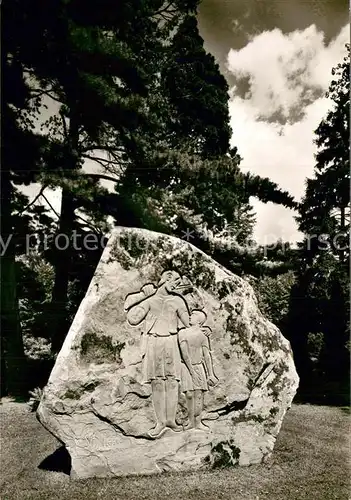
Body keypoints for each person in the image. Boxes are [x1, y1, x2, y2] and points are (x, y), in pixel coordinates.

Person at [124, 271, 190, 438]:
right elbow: (132, 319)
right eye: (175, 280)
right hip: (153, 342)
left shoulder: (177, 300)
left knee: (173, 382)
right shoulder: (150, 300)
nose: (176, 284)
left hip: (171, 341)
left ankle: (171, 420)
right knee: (158, 383)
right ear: (166, 279)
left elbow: (188, 322)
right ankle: (160, 422)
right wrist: (142, 295)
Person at [178, 310, 218, 430]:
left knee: (199, 395)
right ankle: (191, 422)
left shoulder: (202, 336)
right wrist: (191, 370)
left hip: (199, 367)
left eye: (193, 315)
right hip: (186, 367)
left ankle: (198, 422)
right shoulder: (182, 333)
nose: (190, 316)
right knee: (189, 395)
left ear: (199, 320)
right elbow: (184, 353)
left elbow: (207, 355)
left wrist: (210, 374)